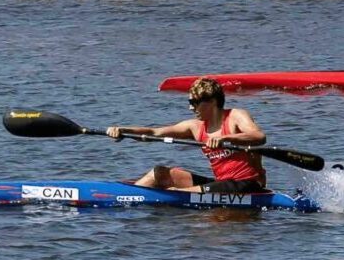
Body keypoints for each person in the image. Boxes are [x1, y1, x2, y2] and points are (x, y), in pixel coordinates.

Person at [107, 78, 267, 192]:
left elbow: (258, 136)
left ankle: (174, 195)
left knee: (176, 192)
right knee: (159, 174)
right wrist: (122, 130)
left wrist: (225, 138)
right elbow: (154, 132)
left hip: (248, 185)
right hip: (222, 184)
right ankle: (128, 196)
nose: (191, 108)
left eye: (194, 103)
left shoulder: (236, 116)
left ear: (212, 102)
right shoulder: (195, 127)